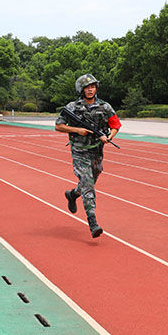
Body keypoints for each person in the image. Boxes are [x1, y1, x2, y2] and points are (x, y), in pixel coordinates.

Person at [55, 74, 120, 238]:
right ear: (81, 89)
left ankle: (72, 194)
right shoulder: (72, 107)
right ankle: (93, 223)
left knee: (93, 177)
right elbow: (59, 126)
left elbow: (115, 125)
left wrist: (109, 137)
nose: (90, 90)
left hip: (96, 150)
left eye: (93, 87)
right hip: (79, 151)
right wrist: (78, 130)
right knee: (87, 183)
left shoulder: (104, 106)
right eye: (87, 87)